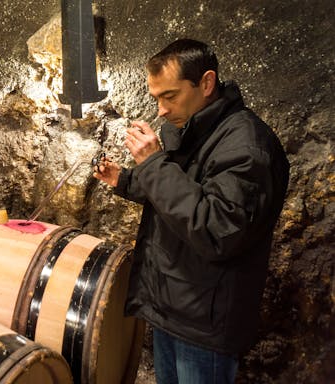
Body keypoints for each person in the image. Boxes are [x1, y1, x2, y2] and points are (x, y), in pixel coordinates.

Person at [93, 38, 289, 383]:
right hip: (172, 303)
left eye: (170, 95)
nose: (161, 110)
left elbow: (216, 230)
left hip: (205, 320)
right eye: (156, 98)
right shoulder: (189, 128)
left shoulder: (247, 147)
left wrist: (153, 163)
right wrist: (124, 180)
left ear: (207, 83)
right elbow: (181, 194)